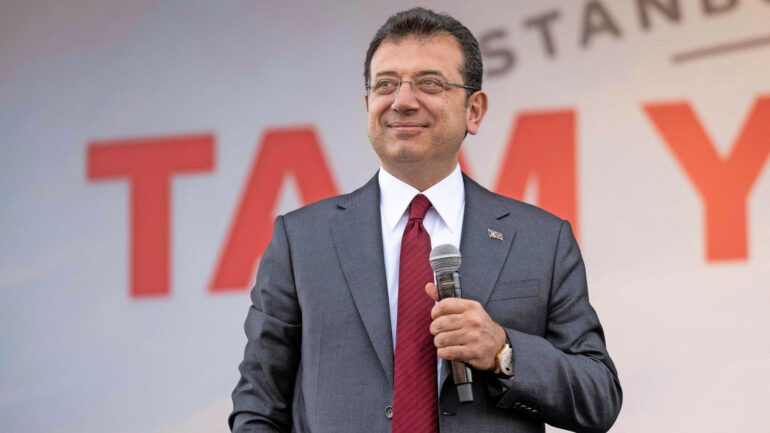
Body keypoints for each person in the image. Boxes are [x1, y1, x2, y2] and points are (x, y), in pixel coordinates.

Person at [230, 7, 622, 433]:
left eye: (429, 83)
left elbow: (598, 396)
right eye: (386, 84)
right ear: (368, 105)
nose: (402, 101)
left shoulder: (540, 240)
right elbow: (258, 406)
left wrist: (503, 352)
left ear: (474, 110)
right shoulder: (302, 241)